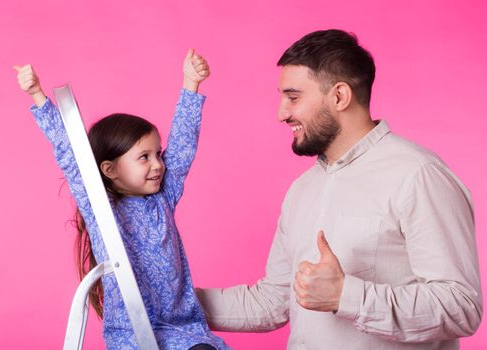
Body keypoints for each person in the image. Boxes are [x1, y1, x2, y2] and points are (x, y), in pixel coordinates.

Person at [196, 29, 482, 349]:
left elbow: (461, 306)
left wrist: (346, 296)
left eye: (293, 97)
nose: (281, 113)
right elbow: (273, 301)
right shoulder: (302, 189)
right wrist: (170, 300)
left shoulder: (419, 175)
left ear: (339, 96)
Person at [14, 50, 230, 350]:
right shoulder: (103, 209)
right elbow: (73, 156)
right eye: (144, 157)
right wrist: (38, 95)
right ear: (110, 169)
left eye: (157, 154)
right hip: (133, 334)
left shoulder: (163, 197)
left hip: (182, 327)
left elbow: (181, 146)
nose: (158, 164)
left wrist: (191, 84)